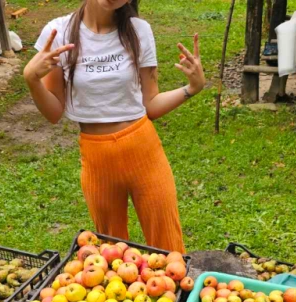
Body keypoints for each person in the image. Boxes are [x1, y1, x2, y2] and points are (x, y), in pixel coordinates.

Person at [24, 0, 205, 253]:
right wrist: (32, 80)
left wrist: (191, 89)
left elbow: (151, 104)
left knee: (169, 248)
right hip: (97, 157)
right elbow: (54, 112)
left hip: (144, 150)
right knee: (112, 255)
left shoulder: (138, 31)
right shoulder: (59, 33)